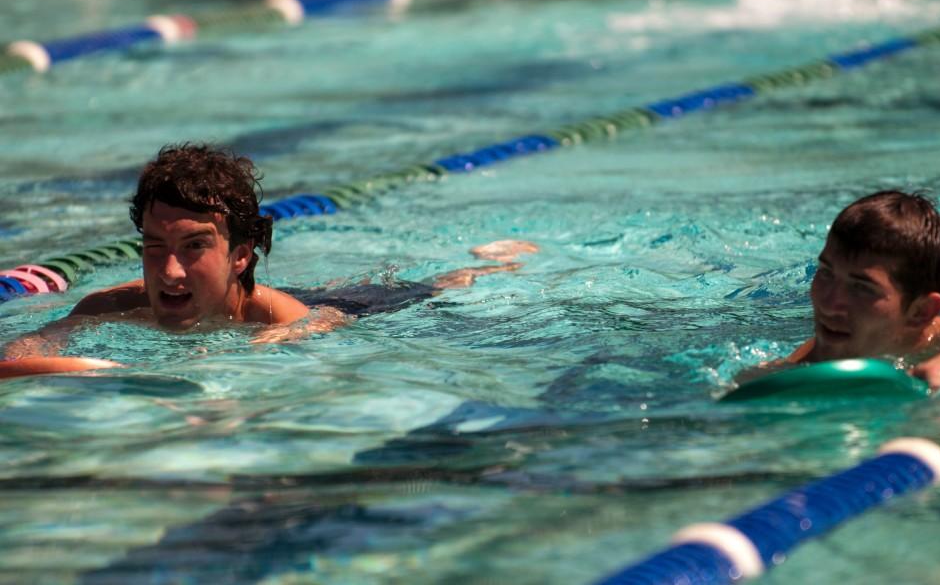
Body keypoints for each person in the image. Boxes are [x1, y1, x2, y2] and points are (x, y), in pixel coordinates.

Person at [0, 143, 537, 378]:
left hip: (354, 308)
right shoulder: (110, 306)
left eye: (193, 247)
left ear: (239, 255)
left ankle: (492, 263)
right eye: (155, 247)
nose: (169, 273)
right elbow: (24, 349)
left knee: (432, 288)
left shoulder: (282, 324)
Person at [762, 190, 940, 388]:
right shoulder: (809, 362)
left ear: (921, 311)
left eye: (862, 288)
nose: (830, 303)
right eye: (826, 273)